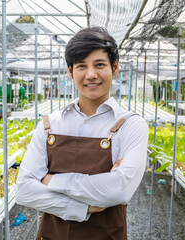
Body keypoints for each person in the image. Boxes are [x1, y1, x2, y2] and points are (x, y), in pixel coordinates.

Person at [15, 27, 149, 240]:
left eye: (99, 65)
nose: (91, 75)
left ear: (114, 68)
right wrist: (83, 207)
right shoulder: (50, 125)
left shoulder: (131, 125)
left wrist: (51, 181)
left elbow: (119, 190)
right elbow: (23, 190)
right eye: (81, 66)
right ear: (70, 72)